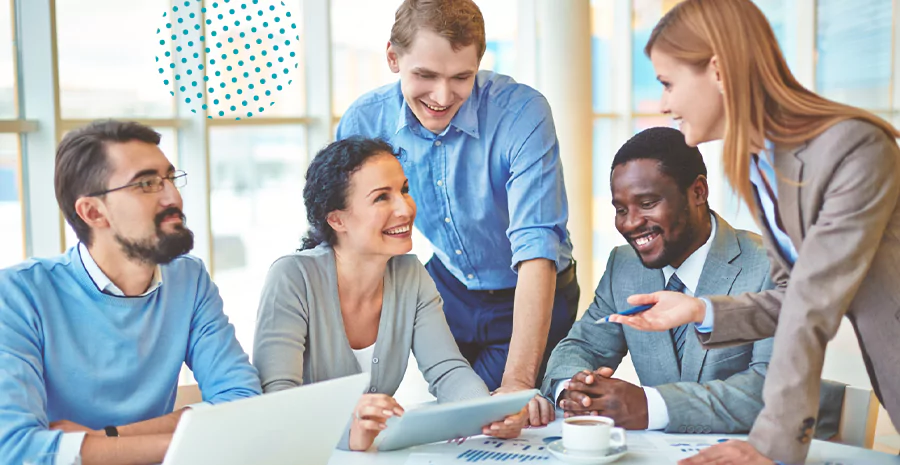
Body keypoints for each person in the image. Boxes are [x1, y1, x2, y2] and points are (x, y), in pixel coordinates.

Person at [608, 1, 900, 463]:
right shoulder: (761, 163)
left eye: (668, 83)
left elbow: (811, 308)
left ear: (719, 70)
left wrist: (770, 444)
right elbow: (793, 295)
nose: (664, 103)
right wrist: (701, 310)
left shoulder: (854, 147)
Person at [335, 0, 578, 426]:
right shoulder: (365, 120)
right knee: (454, 422)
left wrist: (517, 382)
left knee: (498, 419)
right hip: (448, 287)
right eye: (425, 76)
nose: (442, 97)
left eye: (461, 77)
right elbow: (343, 240)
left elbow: (537, 247)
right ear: (393, 57)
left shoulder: (522, 113)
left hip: (532, 291)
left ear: (478, 64)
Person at [541, 127, 843, 437]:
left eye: (647, 204)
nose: (630, 223)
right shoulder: (625, 265)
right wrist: (574, 390)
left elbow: (772, 387)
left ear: (698, 192)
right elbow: (582, 345)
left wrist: (650, 406)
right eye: (621, 209)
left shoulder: (770, 266)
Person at [0, 120, 261, 465]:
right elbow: (17, 449)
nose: (173, 197)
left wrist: (109, 437)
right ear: (93, 212)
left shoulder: (189, 279)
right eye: (148, 184)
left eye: (170, 178)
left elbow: (242, 402)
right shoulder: (18, 295)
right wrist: (177, 443)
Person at [252, 137, 525, 452]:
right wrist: (347, 434)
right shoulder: (293, 277)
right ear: (337, 219)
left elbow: (448, 371)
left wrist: (489, 413)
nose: (405, 208)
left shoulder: (410, 274)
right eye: (382, 197)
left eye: (404, 190)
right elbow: (277, 401)